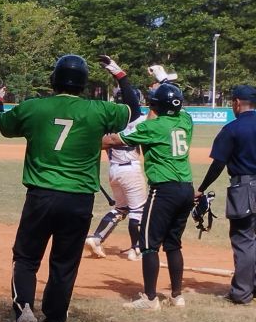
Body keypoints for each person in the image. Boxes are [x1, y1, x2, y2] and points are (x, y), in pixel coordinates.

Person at [0, 54, 140, 322]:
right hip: (78, 199)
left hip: (41, 195)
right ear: (83, 83)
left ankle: (23, 310)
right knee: (64, 265)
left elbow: (0, 123)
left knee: (25, 259)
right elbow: (135, 110)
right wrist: (119, 74)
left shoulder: (33, 107)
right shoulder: (98, 110)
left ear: (53, 80)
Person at [103, 82, 194, 310]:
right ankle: (177, 296)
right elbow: (170, 110)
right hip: (186, 188)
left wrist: (82, 142)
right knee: (173, 244)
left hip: (164, 189)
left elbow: (113, 140)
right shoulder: (186, 121)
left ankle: (150, 299)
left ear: (155, 105)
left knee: (148, 244)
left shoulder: (151, 128)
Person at [195, 85, 256, 305]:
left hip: (245, 186)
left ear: (238, 103)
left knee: (243, 239)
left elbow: (218, 164)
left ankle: (241, 293)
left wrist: (201, 188)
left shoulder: (232, 129)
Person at [85, 90, 148, 262]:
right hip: (131, 169)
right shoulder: (138, 120)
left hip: (114, 170)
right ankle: (136, 249)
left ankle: (96, 238)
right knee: (138, 210)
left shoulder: (107, 122)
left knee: (121, 209)